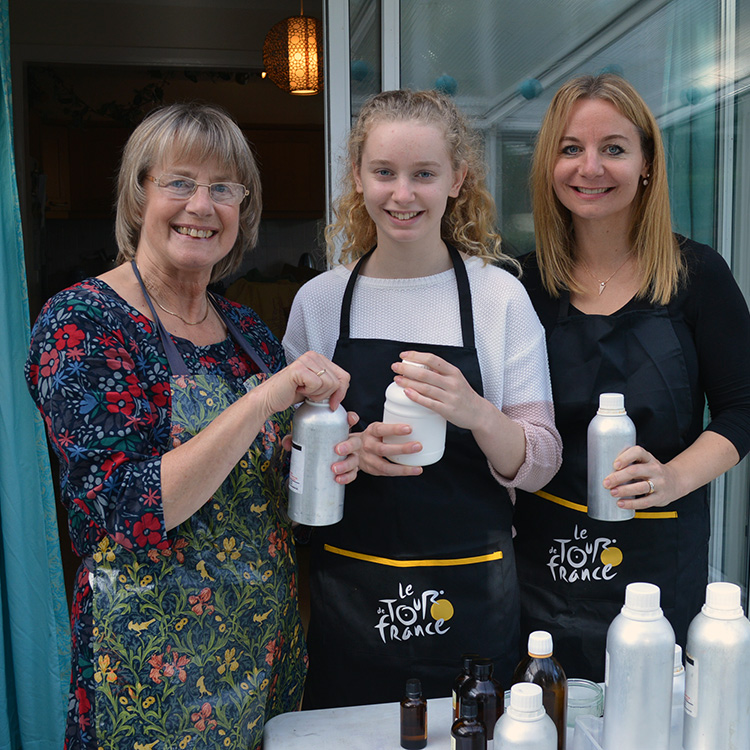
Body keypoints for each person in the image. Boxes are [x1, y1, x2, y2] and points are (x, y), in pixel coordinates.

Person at [25, 102, 360, 750]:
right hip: (150, 669)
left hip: (263, 648)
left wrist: (330, 450)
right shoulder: (82, 322)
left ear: (244, 208)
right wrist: (265, 402)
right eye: (179, 182)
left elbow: (264, 482)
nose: (201, 206)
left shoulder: (248, 331)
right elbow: (132, 509)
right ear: (139, 194)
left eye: (223, 188)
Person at [282, 89, 562, 708]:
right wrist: (345, 450)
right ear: (358, 177)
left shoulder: (499, 299)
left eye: (424, 174)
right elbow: (286, 454)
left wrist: (476, 412)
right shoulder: (321, 303)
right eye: (384, 172)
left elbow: (541, 462)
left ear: (457, 179)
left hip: (472, 596)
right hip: (352, 596)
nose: (401, 194)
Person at [514, 73, 750, 681]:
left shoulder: (698, 274)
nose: (590, 167)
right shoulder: (518, 286)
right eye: (571, 149)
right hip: (545, 565)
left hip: (659, 567)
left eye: (614, 148)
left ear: (646, 164)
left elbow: (742, 408)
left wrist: (672, 477)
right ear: (549, 164)